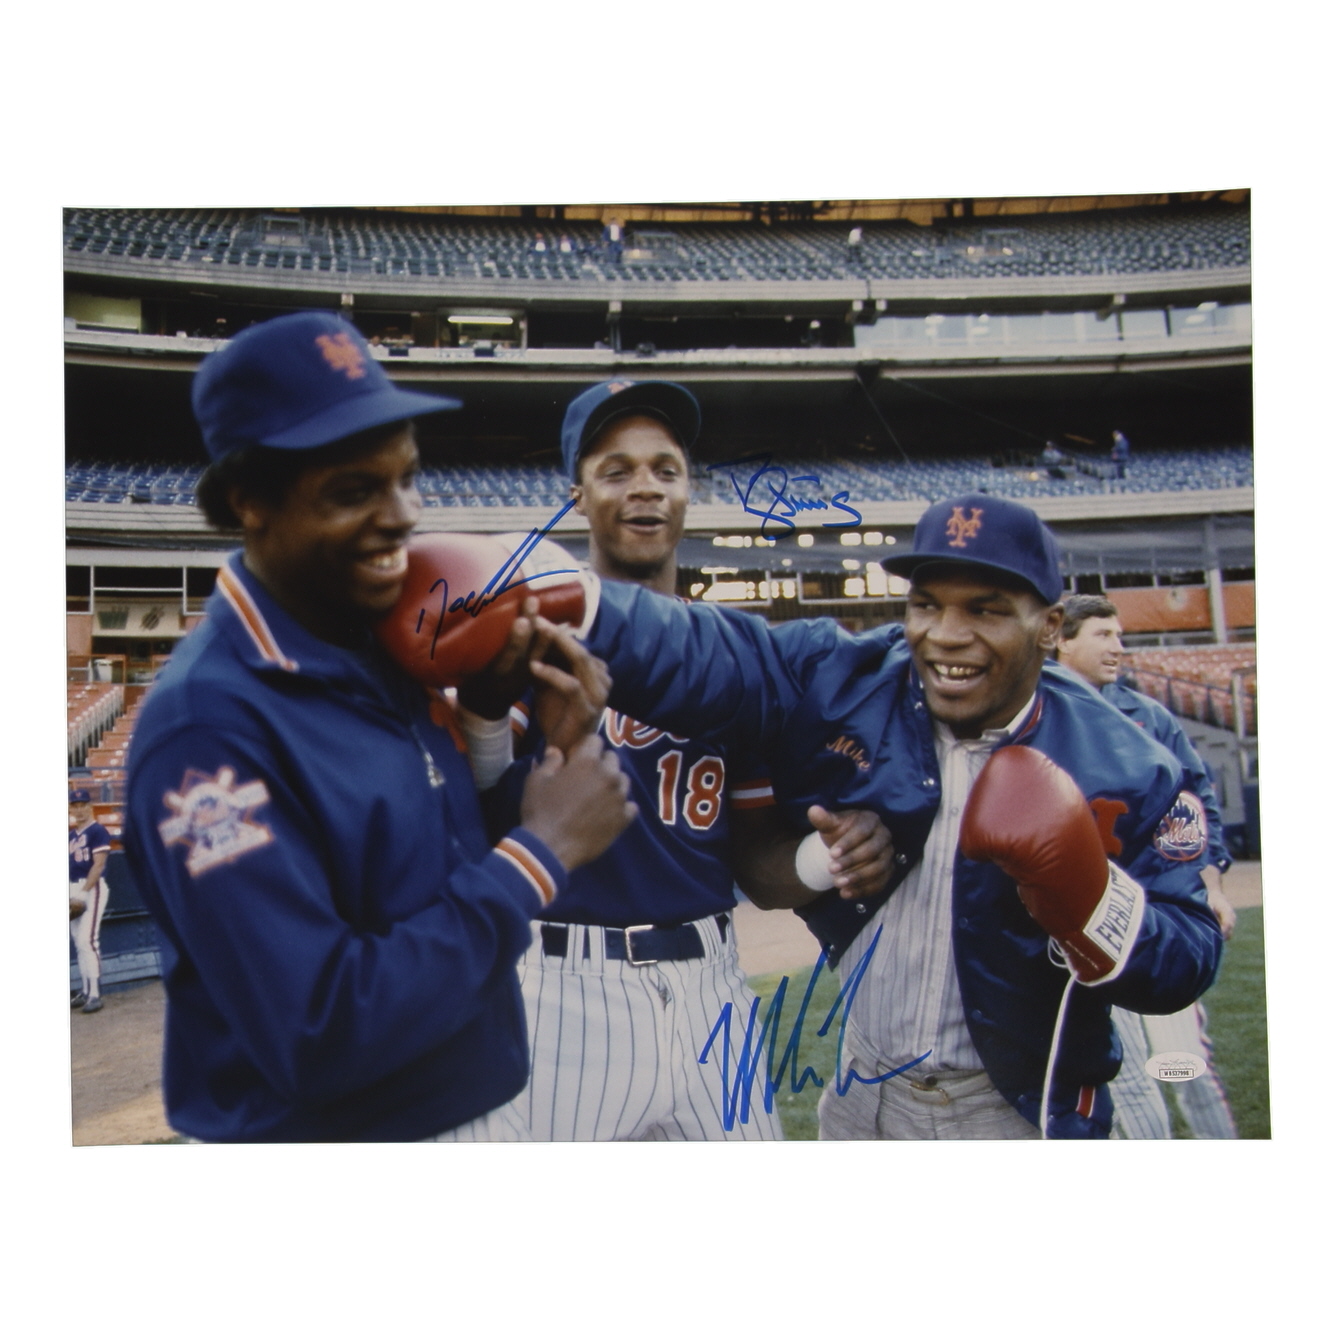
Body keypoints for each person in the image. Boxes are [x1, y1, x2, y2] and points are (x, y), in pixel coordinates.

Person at [559, 492, 1223, 1138]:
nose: (946, 635)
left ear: (1049, 625)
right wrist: (573, 603)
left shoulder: (1128, 762)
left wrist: (1089, 901)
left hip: (1014, 1111)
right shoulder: (850, 677)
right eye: (926, 605)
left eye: (985, 610)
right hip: (862, 1086)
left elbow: (1188, 958)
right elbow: (718, 650)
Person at [123, 311, 634, 1143]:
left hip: (465, 1114)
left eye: (407, 479)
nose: (402, 516)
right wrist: (539, 857)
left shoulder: (375, 639)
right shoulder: (205, 733)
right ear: (250, 501)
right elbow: (316, 1033)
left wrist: (499, 726)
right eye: (355, 490)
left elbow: (428, 874)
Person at [459, 380, 892, 1140]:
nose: (646, 488)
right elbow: (466, 816)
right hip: (561, 985)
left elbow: (757, 864)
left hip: (713, 986)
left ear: (690, 491)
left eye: (666, 469)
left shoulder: (733, 659)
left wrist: (829, 859)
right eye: (617, 470)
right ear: (577, 494)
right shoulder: (530, 633)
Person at [1056, 593, 1239, 1138]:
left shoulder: (1146, 715)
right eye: (1103, 635)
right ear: (1062, 640)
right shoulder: (1033, 711)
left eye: (1119, 634)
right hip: (1069, 923)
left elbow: (1192, 801)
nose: (1119, 646)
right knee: (1105, 1080)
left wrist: (1211, 887)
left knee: (1183, 1065)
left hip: (1152, 914)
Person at [69, 788, 111, 1015]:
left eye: (82, 804)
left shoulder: (97, 831)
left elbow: (99, 865)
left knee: (88, 940)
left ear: (90, 806)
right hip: (72, 887)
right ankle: (85, 991)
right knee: (78, 942)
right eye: (74, 805)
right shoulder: (70, 836)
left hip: (91, 888)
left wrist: (83, 892)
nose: (78, 809)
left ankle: (95, 993)